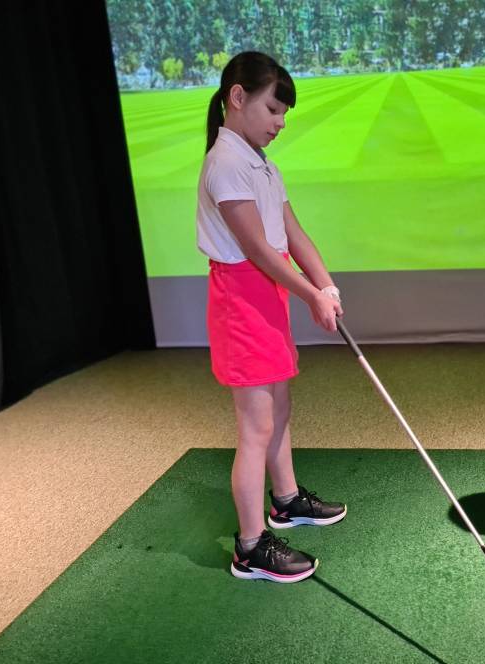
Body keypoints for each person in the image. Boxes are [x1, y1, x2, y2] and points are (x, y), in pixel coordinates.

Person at [197, 52, 346, 583]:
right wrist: (310, 296)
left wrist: (323, 282)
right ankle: (250, 545)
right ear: (237, 98)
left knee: (279, 405)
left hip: (269, 293)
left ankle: (285, 501)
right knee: (256, 426)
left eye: (284, 114)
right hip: (242, 297)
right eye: (273, 110)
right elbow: (258, 250)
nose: (280, 123)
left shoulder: (261, 161)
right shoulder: (226, 162)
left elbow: (292, 233)